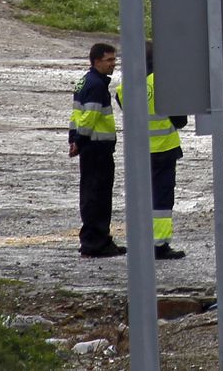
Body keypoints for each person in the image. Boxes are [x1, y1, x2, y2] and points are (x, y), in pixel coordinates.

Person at [115, 41, 188, 260]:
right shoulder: (164, 82)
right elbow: (180, 120)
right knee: (162, 200)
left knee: (140, 198)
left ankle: (141, 241)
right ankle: (159, 244)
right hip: (164, 150)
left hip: (138, 152)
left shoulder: (127, 84)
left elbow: (125, 107)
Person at [70, 42, 124, 258]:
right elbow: (89, 118)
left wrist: (74, 139)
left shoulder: (85, 81)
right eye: (109, 60)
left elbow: (76, 115)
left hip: (89, 147)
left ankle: (96, 240)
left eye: (114, 60)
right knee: (98, 197)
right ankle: (97, 242)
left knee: (90, 194)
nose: (113, 64)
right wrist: (80, 140)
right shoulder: (97, 85)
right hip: (97, 148)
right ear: (96, 61)